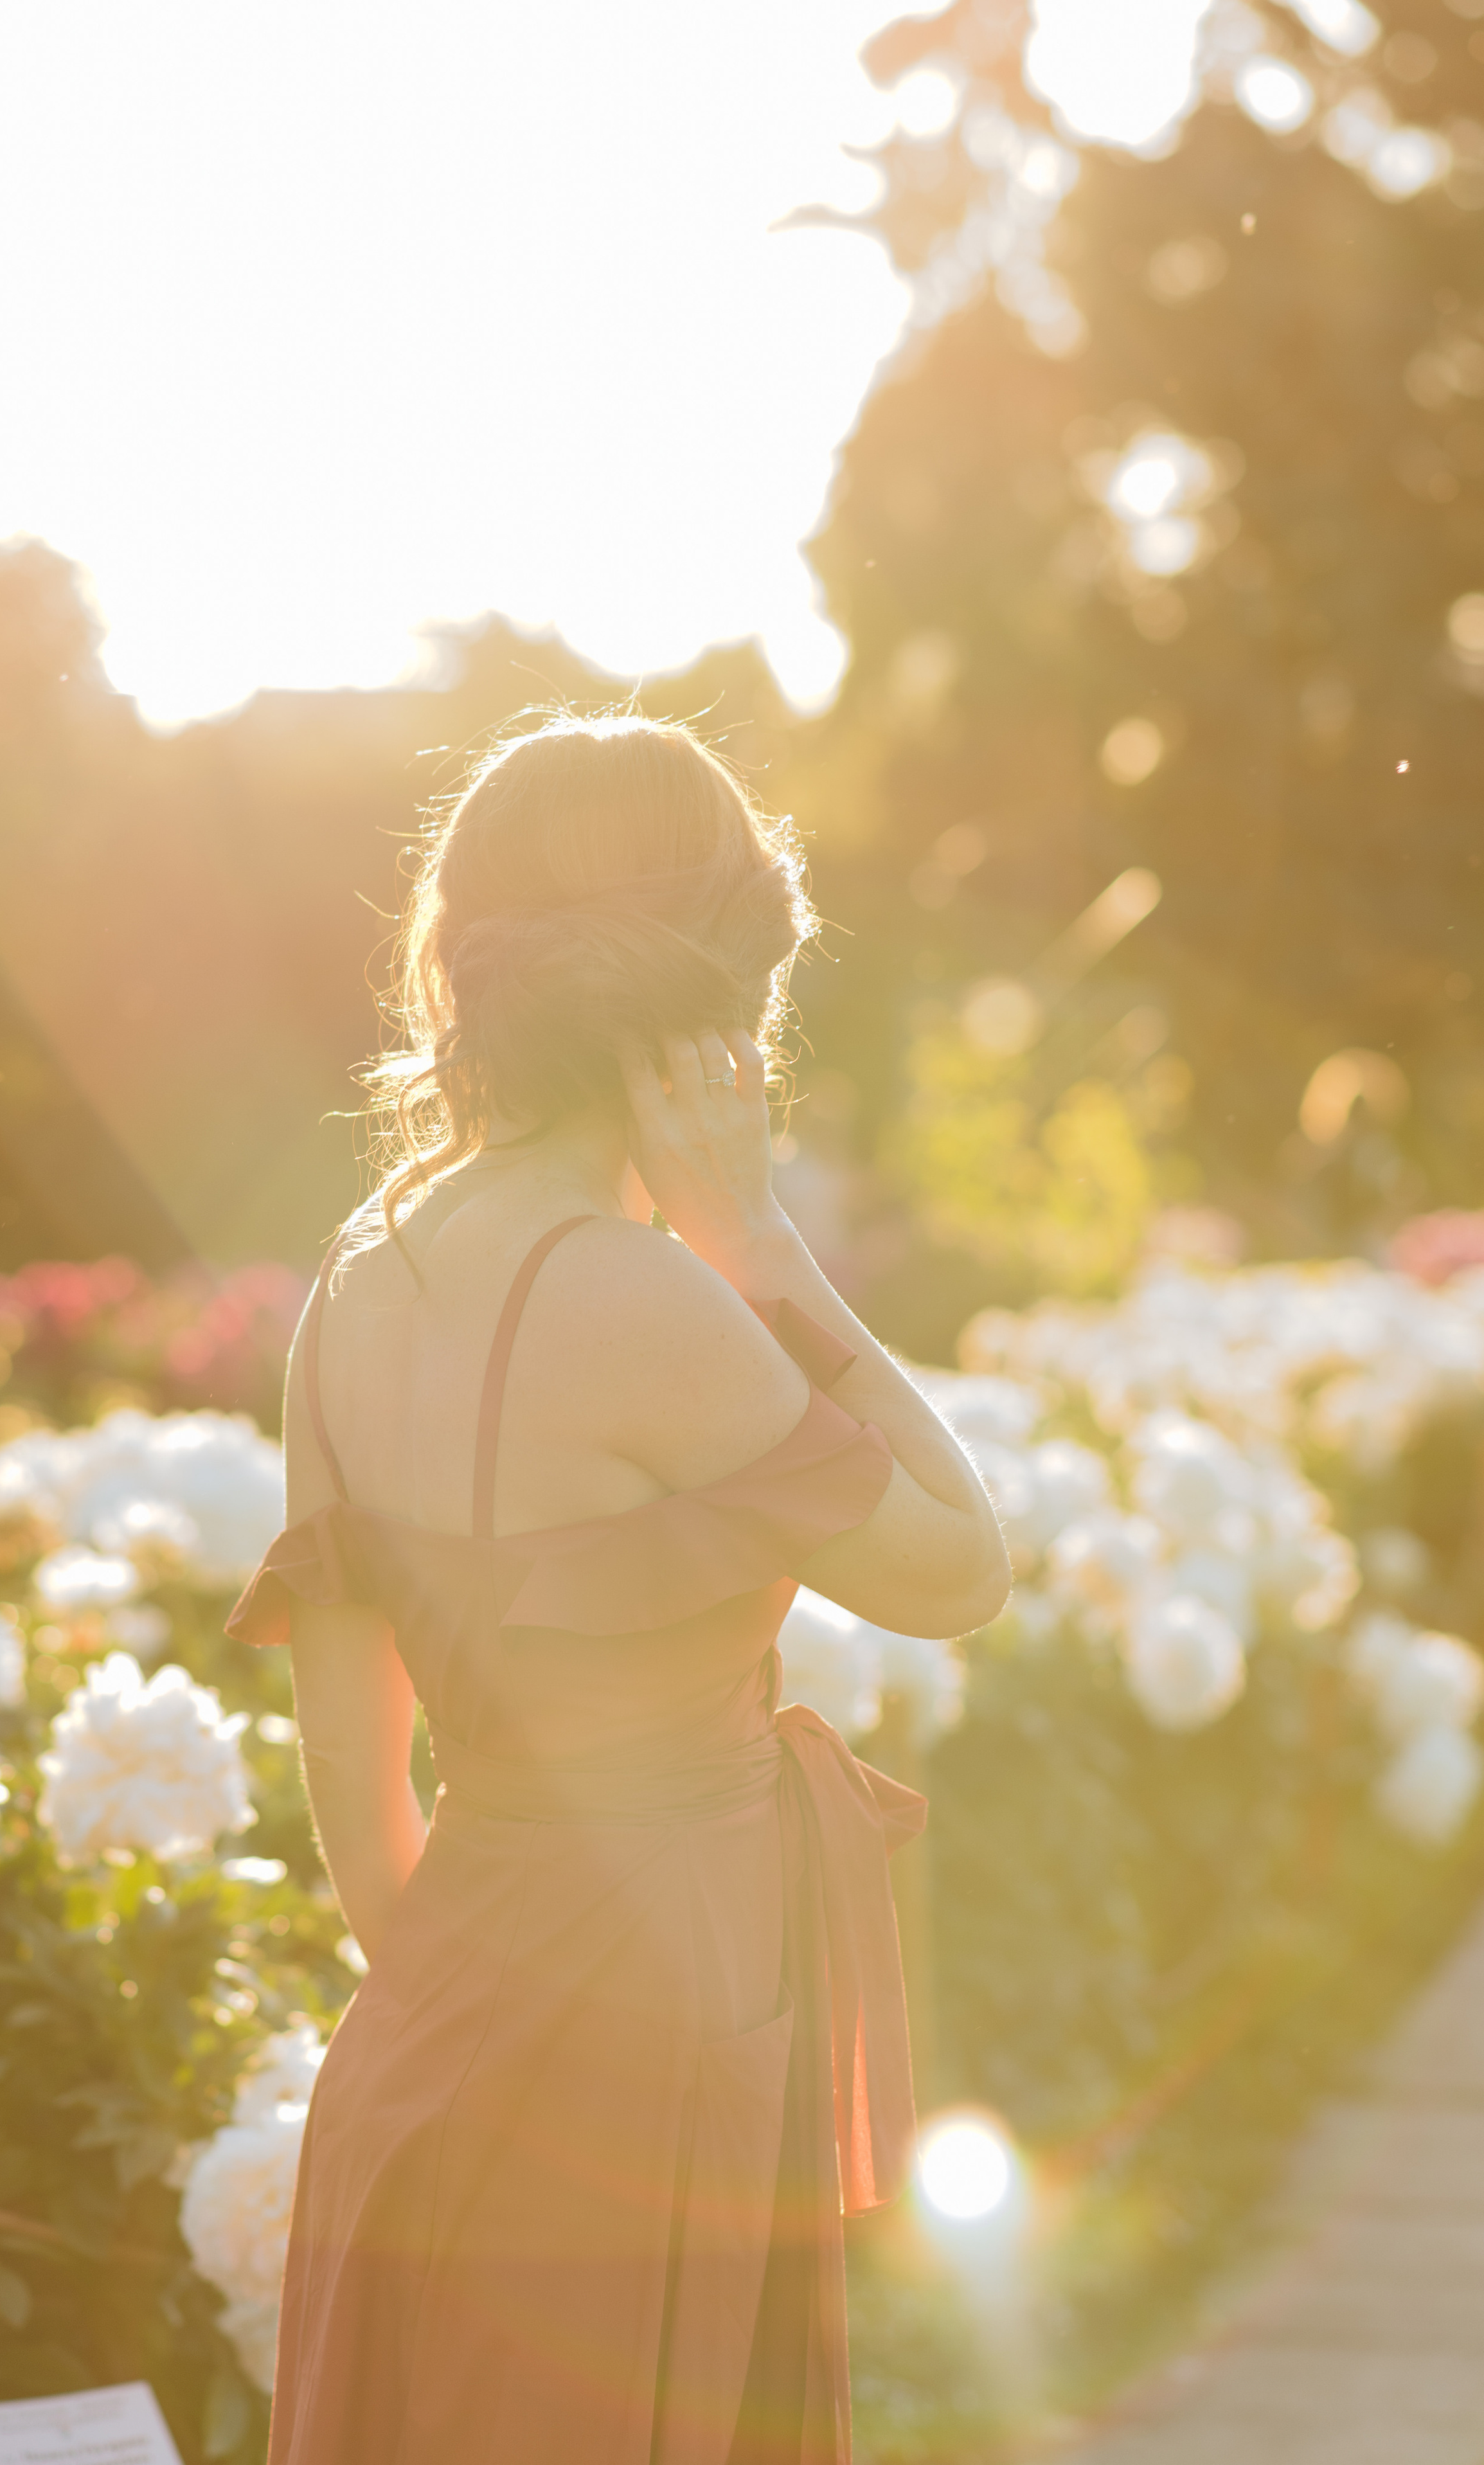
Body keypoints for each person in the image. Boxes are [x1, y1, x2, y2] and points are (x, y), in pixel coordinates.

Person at [228, 712, 1010, 2464]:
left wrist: (475, 2045)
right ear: (718, 1002)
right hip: (652, 2052)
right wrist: (769, 1250)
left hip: (431, 2049)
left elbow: (359, 1799)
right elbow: (961, 1569)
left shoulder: (353, 1283)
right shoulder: (654, 1302)